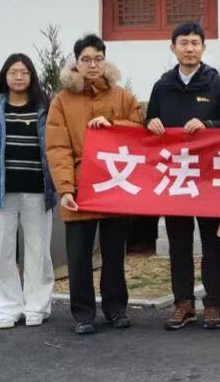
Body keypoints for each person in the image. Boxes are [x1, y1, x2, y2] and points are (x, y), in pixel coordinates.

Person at [46, 34, 143, 334]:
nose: (92, 64)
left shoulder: (121, 96)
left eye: (98, 59)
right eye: (86, 59)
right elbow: (57, 148)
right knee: (79, 257)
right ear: (76, 63)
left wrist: (113, 124)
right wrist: (65, 189)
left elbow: (140, 129)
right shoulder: (62, 101)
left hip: (114, 184)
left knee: (114, 254)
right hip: (79, 187)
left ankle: (116, 308)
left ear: (105, 61)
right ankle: (83, 314)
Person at [145, 23, 220, 331]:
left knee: (212, 242)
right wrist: (151, 123)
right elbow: (149, 121)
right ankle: (183, 303)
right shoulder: (163, 86)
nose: (189, 48)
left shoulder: (218, 84)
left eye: (195, 43)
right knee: (179, 242)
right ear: (172, 47)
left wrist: (209, 124)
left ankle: (213, 303)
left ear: (203, 48)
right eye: (183, 43)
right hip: (176, 176)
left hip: (209, 176)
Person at [0, 53, 56, 329]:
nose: (19, 77)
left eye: (24, 72)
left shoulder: (45, 107)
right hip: (0, 192)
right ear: (4, 76)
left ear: (32, 77)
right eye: (13, 72)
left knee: (38, 252)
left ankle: (36, 307)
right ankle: (7, 309)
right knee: (2, 253)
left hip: (37, 191)